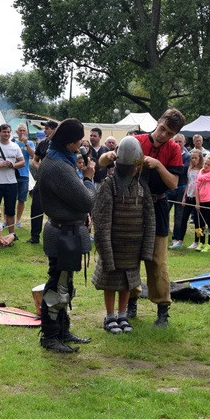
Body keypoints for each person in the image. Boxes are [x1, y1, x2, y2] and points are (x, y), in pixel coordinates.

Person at [99, 109, 186, 327]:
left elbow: (174, 184)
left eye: (169, 133)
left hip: (157, 205)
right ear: (158, 122)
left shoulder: (174, 149)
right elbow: (102, 162)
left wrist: (158, 165)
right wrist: (109, 155)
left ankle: (162, 308)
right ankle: (132, 302)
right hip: (132, 206)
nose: (163, 135)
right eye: (163, 129)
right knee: (130, 256)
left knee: (157, 260)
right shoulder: (135, 141)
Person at [37, 118, 96, 353]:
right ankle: (50, 337)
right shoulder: (58, 166)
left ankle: (62, 330)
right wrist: (89, 178)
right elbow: (87, 199)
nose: (81, 144)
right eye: (79, 140)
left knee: (65, 284)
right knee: (57, 286)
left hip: (68, 229)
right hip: (62, 232)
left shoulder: (61, 159)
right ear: (69, 142)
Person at [91, 136, 154, 335]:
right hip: (114, 245)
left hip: (133, 247)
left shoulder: (141, 187)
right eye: (132, 166)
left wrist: (146, 250)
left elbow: (149, 219)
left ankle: (122, 315)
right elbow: (101, 222)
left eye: (137, 166)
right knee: (111, 282)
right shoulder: (109, 185)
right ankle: (110, 317)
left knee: (127, 282)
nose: (135, 169)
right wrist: (106, 252)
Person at [27, 120, 58, 244]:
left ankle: (54, 237)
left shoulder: (62, 145)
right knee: (36, 207)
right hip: (42, 181)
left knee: (56, 210)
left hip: (57, 182)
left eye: (48, 128)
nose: (45, 130)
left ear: (55, 129)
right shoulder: (42, 144)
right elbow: (35, 160)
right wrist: (40, 167)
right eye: (45, 128)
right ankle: (35, 236)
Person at [169, 133, 192, 249]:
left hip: (181, 187)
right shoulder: (169, 153)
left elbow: (182, 170)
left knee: (179, 215)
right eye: (176, 141)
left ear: (184, 143)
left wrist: (171, 169)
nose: (178, 144)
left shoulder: (188, 156)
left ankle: (176, 238)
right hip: (168, 187)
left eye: (180, 142)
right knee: (163, 212)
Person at [194, 155, 210, 252]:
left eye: (208, 164)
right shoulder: (201, 172)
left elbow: (200, 178)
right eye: (205, 164)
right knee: (199, 223)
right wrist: (197, 202)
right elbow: (197, 188)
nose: (206, 166)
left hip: (209, 201)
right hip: (201, 201)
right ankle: (201, 242)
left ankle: (209, 243)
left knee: (208, 223)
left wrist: (200, 173)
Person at [181, 150, 203, 250]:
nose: (194, 160)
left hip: (197, 197)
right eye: (192, 158)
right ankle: (180, 240)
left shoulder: (202, 170)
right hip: (189, 195)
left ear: (200, 159)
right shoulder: (189, 169)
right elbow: (188, 183)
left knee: (197, 221)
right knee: (184, 218)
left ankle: (196, 241)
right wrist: (184, 197)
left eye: (196, 158)